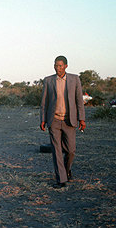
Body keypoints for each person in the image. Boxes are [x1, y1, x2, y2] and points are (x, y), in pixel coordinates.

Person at [40, 56, 86, 189]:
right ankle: (61, 179)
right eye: (55, 65)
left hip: (69, 120)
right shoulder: (48, 81)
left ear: (66, 66)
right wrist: (42, 119)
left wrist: (81, 119)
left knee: (71, 150)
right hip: (54, 120)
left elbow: (79, 101)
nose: (57, 68)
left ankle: (66, 170)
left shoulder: (74, 79)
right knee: (56, 150)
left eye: (60, 66)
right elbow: (44, 103)